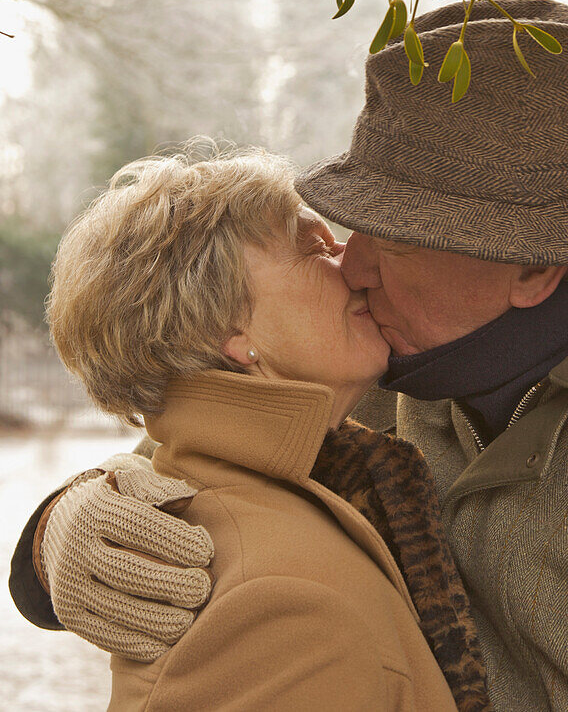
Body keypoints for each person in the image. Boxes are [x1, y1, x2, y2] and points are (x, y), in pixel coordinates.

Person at [10, 0, 568, 710]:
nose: (350, 268)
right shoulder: (388, 352)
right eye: (346, 228)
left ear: (532, 268)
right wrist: (57, 531)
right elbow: (199, 445)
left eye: (392, 239)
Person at [28, 144, 489, 711]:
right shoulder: (280, 605)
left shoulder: (269, 481)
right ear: (230, 328)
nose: (350, 260)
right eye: (313, 247)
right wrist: (54, 524)